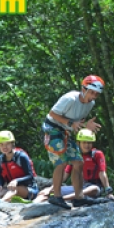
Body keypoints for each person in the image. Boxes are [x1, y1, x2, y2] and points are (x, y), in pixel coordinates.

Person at [43, 75, 104, 209]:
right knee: (62, 162)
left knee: (78, 162)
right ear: (83, 89)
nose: (94, 96)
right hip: (52, 129)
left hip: (66, 131)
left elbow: (77, 123)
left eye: (96, 94)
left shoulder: (90, 104)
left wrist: (86, 126)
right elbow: (52, 114)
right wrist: (71, 123)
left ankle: (79, 197)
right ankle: (57, 196)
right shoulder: (70, 98)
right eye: (92, 92)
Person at [34, 129, 114, 202]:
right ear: (78, 143)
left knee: (94, 189)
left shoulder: (97, 154)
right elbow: (65, 175)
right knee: (45, 191)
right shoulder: (75, 156)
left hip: (95, 186)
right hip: (80, 186)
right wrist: (51, 189)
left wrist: (108, 190)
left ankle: (64, 198)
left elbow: (102, 173)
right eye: (84, 142)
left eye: (89, 142)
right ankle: (34, 204)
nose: (87, 145)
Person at [0, 130, 38, 203]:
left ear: (12, 144)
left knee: (14, 189)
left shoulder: (21, 157)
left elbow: (30, 176)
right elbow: (1, 177)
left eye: (7, 144)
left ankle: (2, 202)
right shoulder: (1, 159)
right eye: (1, 144)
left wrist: (16, 181)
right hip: (11, 189)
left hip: (29, 190)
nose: (4, 147)